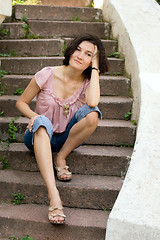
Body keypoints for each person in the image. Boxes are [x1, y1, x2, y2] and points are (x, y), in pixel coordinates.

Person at [16, 33, 109, 225]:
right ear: (71, 50)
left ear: (93, 61)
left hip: (66, 138)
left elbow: (92, 102)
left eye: (88, 54)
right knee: (42, 122)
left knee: (93, 113)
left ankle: (60, 156)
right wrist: (34, 116)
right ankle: (54, 196)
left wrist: (95, 69)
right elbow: (21, 102)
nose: (80, 55)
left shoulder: (87, 83)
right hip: (39, 135)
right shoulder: (47, 74)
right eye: (78, 49)